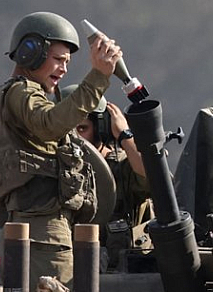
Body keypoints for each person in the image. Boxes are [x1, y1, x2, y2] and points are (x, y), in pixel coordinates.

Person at [0, 11, 122, 291]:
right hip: (45, 233)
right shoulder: (22, 95)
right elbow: (51, 123)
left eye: (67, 63)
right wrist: (98, 76)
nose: (63, 69)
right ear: (30, 53)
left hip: (23, 226)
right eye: (58, 59)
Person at [61, 84, 153, 268]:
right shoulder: (55, 169)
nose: (74, 139)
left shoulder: (123, 166)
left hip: (122, 276)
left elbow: (154, 179)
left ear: (101, 128)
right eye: (67, 130)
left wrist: (125, 136)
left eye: (82, 129)